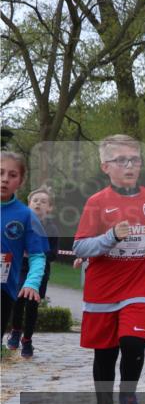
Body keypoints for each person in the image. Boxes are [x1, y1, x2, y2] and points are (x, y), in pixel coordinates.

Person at [72, 136, 145, 404]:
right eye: (121, 160)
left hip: (138, 285)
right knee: (105, 355)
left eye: (135, 159)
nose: (130, 165)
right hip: (102, 290)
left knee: (133, 344)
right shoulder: (96, 202)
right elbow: (80, 246)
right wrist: (111, 236)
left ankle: (128, 396)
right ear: (105, 167)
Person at [1, 153, 48, 354]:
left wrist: (32, 282)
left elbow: (38, 255)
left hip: (4, 290)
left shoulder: (26, 215)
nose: (4, 179)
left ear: (20, 181)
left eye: (12, 175)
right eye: (0, 173)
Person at [7, 186, 59, 358]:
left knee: (32, 305)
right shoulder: (19, 223)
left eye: (43, 202)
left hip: (40, 271)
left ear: (50, 207)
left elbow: (53, 254)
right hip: (19, 269)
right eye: (35, 201)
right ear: (28, 204)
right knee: (18, 300)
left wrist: (35, 252)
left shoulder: (52, 229)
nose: (38, 204)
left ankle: (27, 340)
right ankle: (15, 331)